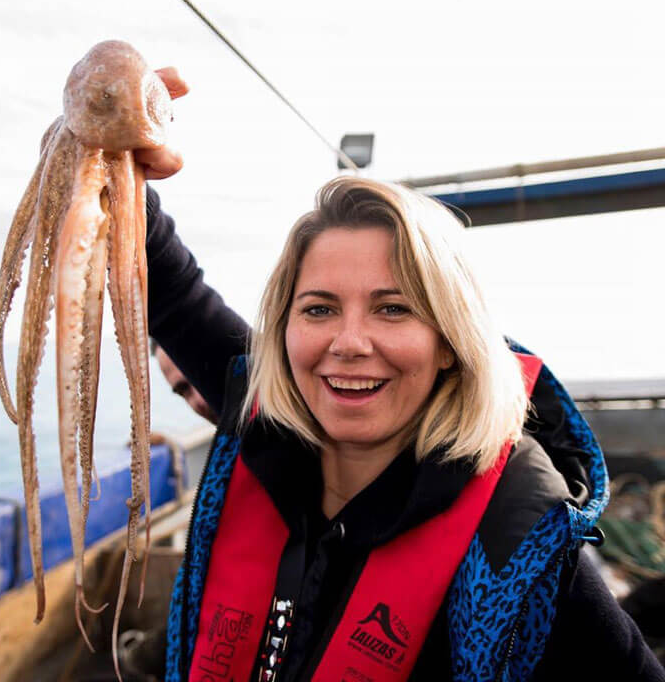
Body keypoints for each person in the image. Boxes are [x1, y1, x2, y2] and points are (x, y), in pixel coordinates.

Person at [136, 69, 665, 682]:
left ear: (450, 343)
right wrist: (114, 156)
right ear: (284, 331)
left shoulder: (526, 553)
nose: (349, 343)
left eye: (393, 308)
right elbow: (170, 286)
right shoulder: (261, 425)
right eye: (319, 308)